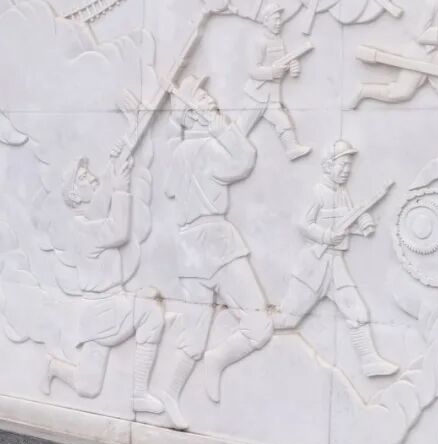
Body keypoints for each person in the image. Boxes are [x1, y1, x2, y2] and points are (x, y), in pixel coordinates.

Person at [159, 75, 274, 418]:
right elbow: (244, 160)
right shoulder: (207, 149)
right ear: (193, 114)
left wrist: (179, 129)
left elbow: (168, 188)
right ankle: (218, 360)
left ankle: (170, 393)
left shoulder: (179, 151)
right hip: (215, 244)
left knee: (193, 338)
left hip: (188, 250)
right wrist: (220, 127)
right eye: (202, 98)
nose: (210, 99)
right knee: (258, 324)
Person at [41, 152, 177, 425]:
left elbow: (104, 205)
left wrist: (117, 164)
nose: (92, 178)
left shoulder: (87, 222)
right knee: (151, 311)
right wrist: (120, 187)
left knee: (88, 386)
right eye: (83, 177)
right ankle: (138, 394)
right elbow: (118, 231)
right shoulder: (81, 230)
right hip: (103, 309)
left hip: (106, 307)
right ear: (74, 194)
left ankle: (53, 367)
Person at [273, 140, 398, 376]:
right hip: (314, 264)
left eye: (349, 166)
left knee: (356, 310)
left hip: (335, 262)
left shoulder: (342, 194)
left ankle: (369, 362)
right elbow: (302, 223)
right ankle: (250, 334)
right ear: (328, 165)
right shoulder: (317, 192)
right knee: (287, 319)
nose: (347, 170)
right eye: (342, 165)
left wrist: (363, 225)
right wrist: (326, 236)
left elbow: (348, 221)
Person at [245, 2, 311, 161]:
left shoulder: (278, 41)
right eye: (275, 19)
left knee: (282, 121)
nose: (278, 22)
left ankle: (292, 149)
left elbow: (282, 64)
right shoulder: (259, 42)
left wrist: (293, 67)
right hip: (257, 95)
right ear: (265, 20)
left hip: (272, 95)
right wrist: (272, 72)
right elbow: (252, 70)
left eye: (279, 19)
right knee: (242, 128)